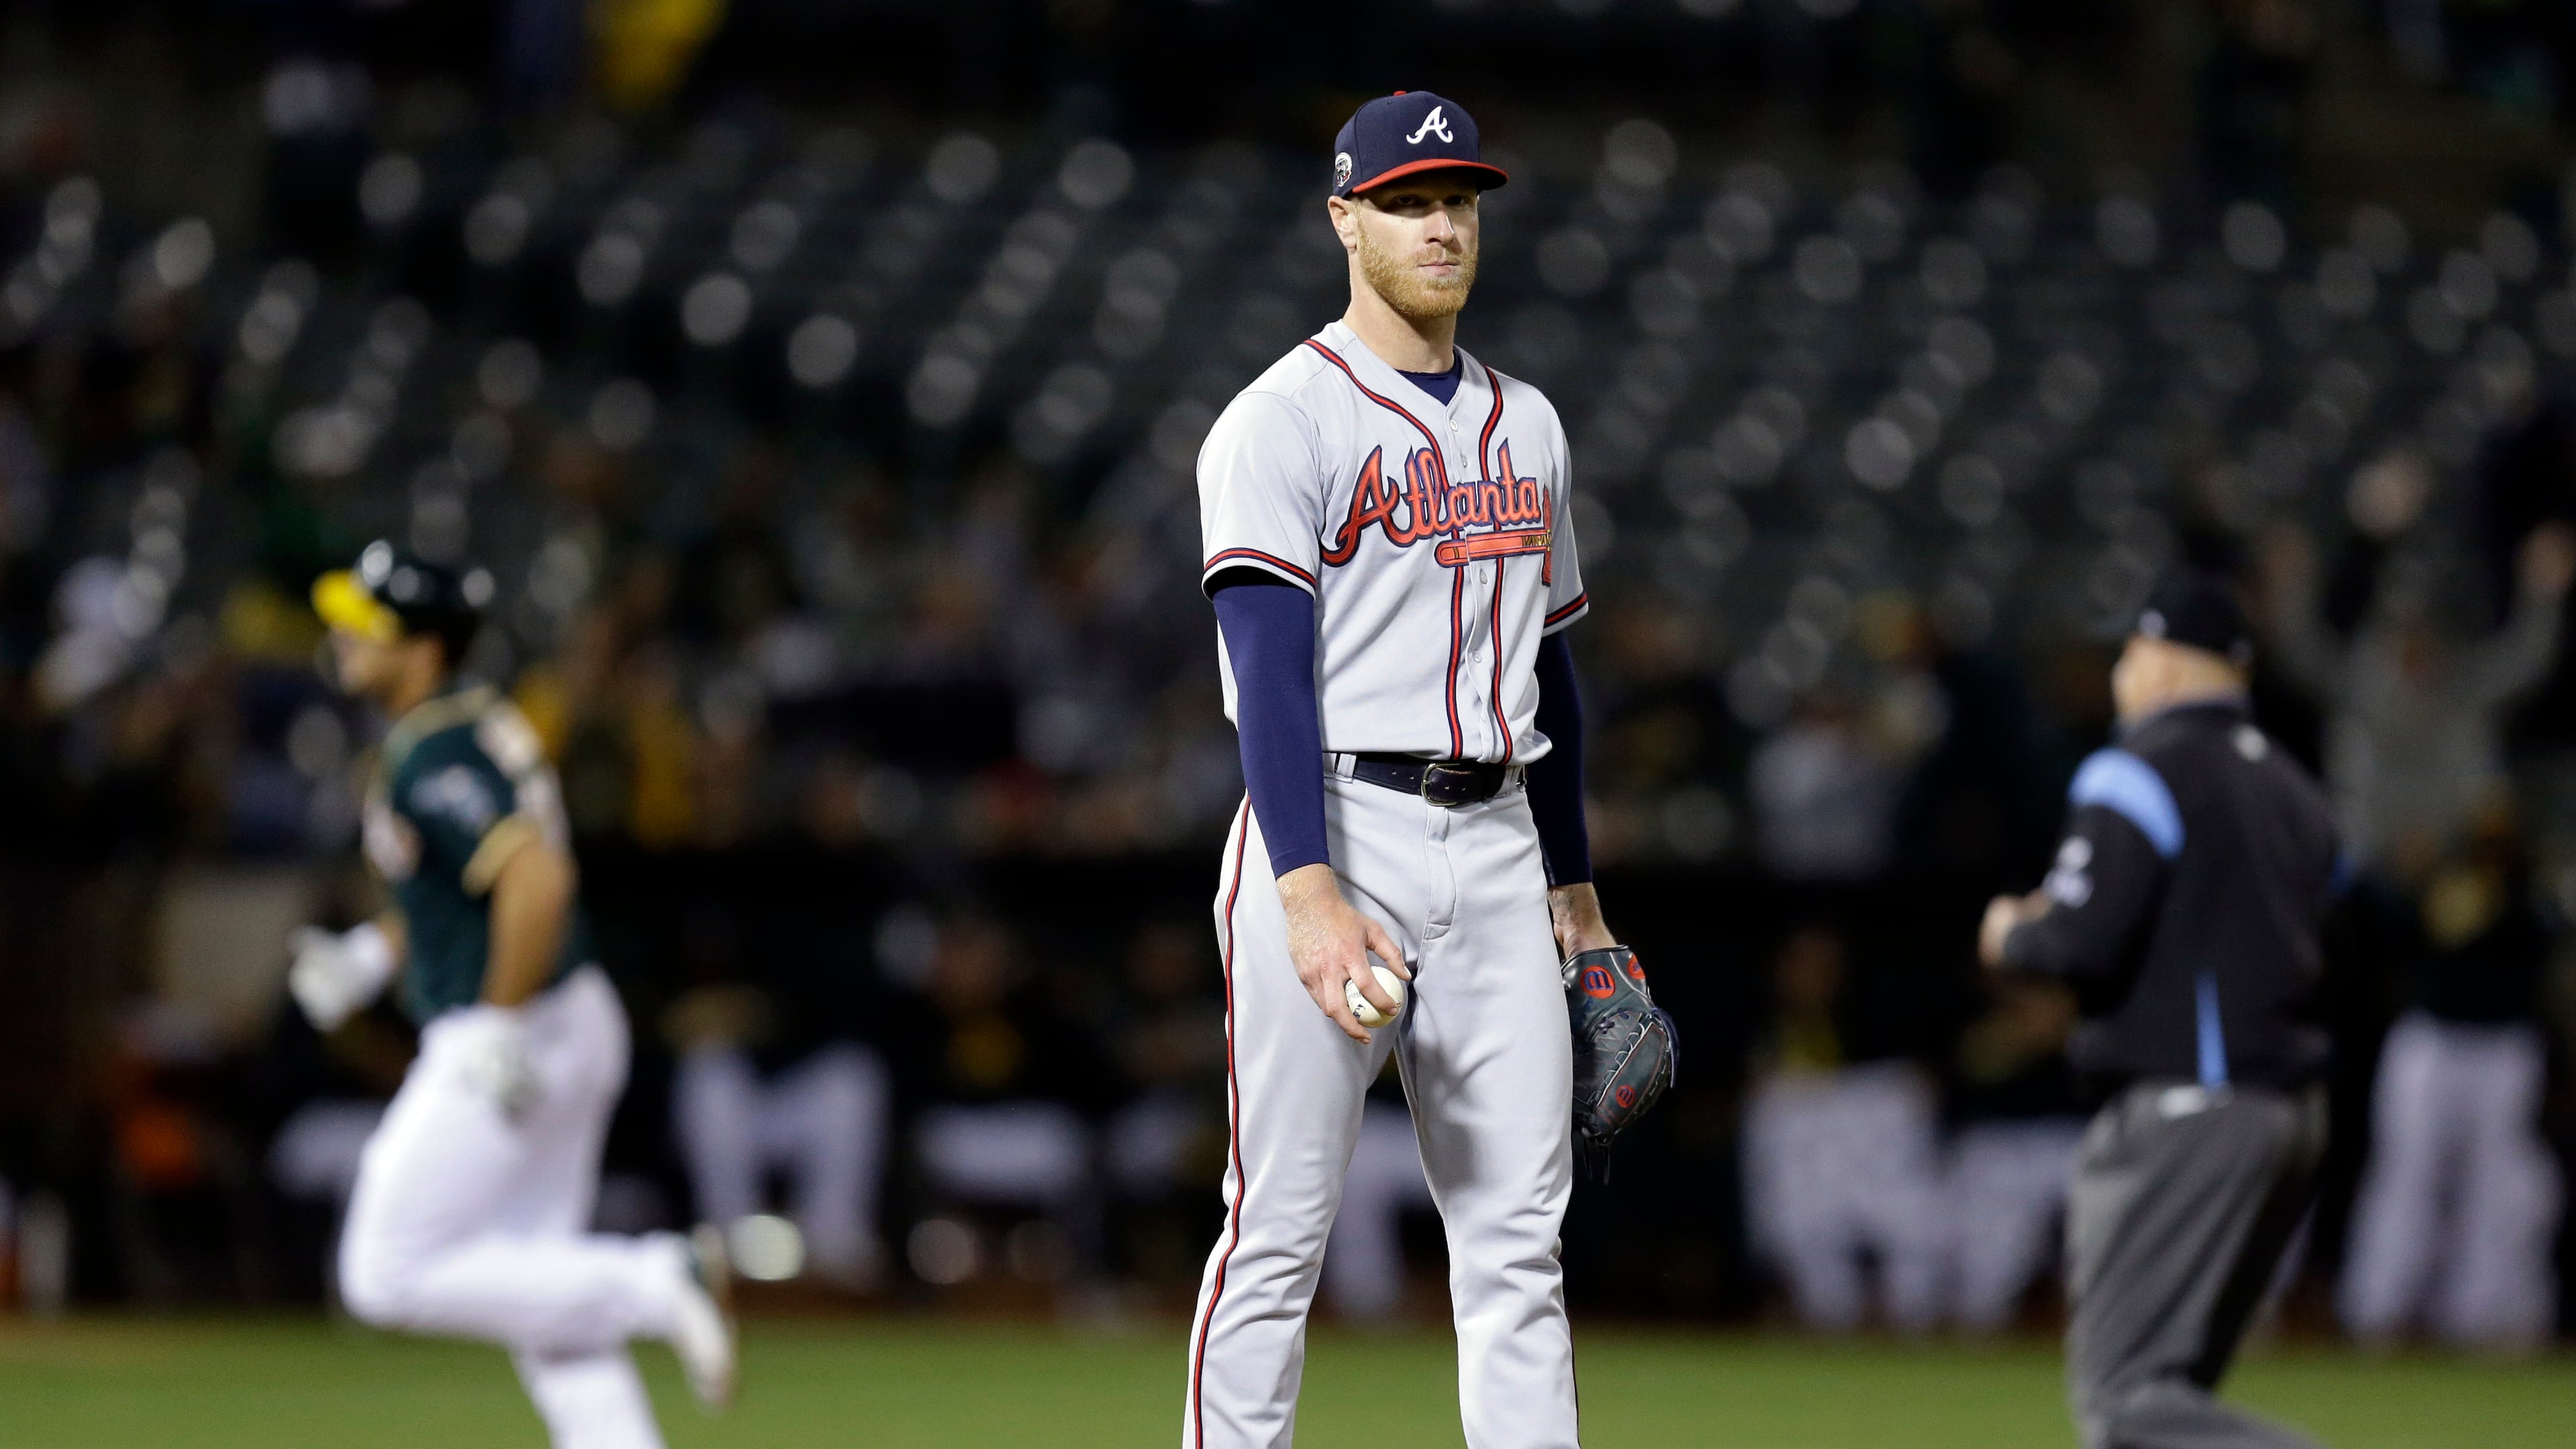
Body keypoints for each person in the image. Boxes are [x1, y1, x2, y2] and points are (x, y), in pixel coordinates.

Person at [1187, 91, 1605, 1448]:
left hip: (1495, 846)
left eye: (1461, 202)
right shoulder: (1281, 420)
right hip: (1337, 828)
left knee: (1517, 1243)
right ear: (1344, 219)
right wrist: (1308, 892)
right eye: (1411, 202)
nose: (1442, 227)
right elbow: (1269, 681)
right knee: (1281, 1234)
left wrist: (1580, 896)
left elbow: (1552, 681)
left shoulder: (1529, 424)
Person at [286, 542, 734, 1449]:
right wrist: (373, 958)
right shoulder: (466, 723)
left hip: (514, 1028)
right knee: (542, 1301)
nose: (343, 635)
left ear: (422, 647)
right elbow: (457, 890)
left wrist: (494, 1018)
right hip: (568, 1017)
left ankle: (656, 1278)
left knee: (383, 1273)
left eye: (367, 624)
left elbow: (536, 883)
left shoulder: (436, 751)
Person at [1980, 574, 2340, 1449]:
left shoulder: (2140, 766)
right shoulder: (2299, 790)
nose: (2120, 674)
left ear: (2167, 666)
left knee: (2128, 1404)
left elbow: (2078, 942)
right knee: (2174, 1395)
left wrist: (2012, 932)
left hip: (2190, 1103)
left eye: (2129, 654)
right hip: (2291, 1110)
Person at [2337, 802, 2562, 1351]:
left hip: (2504, 1044)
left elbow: (2544, 946)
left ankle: (2488, 1316)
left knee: (2502, 1183)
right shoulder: (2441, 882)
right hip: (2432, 1039)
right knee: (2406, 1173)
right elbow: (2395, 933)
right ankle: (2381, 1310)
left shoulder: (2530, 896)